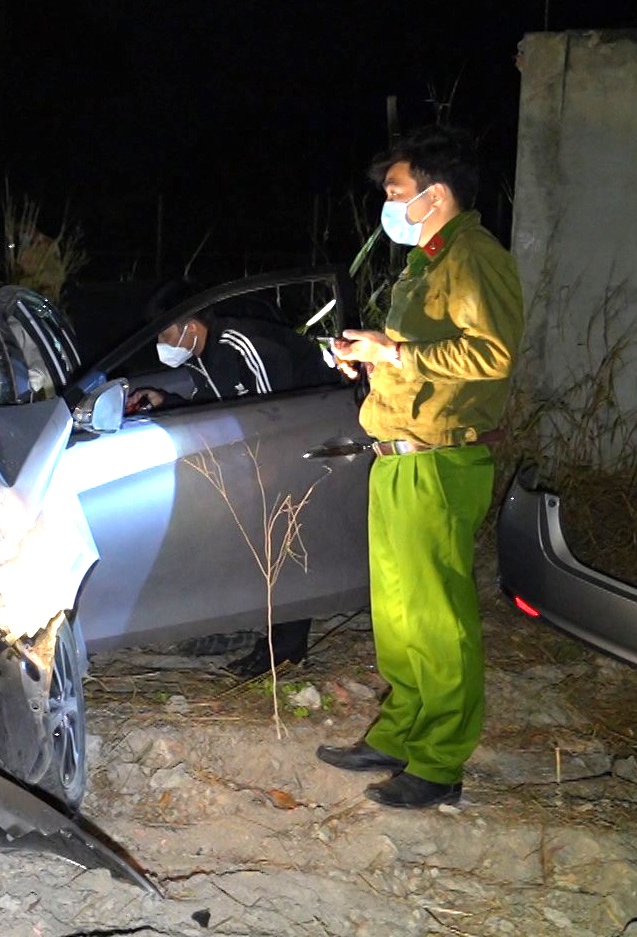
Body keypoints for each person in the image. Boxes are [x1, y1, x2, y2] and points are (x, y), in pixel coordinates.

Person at [318, 125, 524, 809]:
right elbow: (417, 351)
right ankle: (401, 731)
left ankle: (439, 764)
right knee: (400, 616)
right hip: (397, 455)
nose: (388, 202)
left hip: (440, 459)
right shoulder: (428, 262)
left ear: (434, 196)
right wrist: (369, 356)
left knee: (437, 621)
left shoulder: (473, 256)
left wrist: (397, 356)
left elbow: (489, 354)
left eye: (395, 190)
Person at [124, 303, 333, 678]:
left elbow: (280, 413)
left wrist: (269, 472)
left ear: (190, 326)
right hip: (264, 456)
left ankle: (284, 648)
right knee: (257, 546)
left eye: (165, 333)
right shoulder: (204, 357)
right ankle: (258, 630)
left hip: (301, 448)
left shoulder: (241, 344)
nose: (162, 343)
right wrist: (165, 400)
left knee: (282, 547)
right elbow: (219, 404)